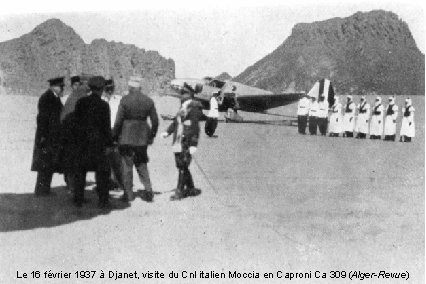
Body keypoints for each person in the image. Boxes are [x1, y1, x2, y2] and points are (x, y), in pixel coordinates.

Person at [112, 76, 159, 202]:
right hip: (142, 138)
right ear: (140, 87)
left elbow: (118, 122)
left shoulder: (125, 100)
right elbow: (155, 121)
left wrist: (114, 136)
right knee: (142, 164)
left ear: (130, 87)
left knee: (127, 166)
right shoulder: (148, 101)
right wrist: (152, 135)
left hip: (126, 137)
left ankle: (128, 195)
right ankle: (149, 191)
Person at [72, 76, 114, 208]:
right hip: (98, 144)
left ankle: (78, 199)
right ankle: (103, 201)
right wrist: (109, 144)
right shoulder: (104, 106)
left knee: (80, 171)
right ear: (101, 89)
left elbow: (76, 123)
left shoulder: (81, 103)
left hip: (82, 142)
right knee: (102, 173)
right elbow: (106, 127)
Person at [162, 83, 203, 201]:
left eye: (184, 94)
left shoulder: (193, 107)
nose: (182, 96)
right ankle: (191, 188)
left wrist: (194, 144)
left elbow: (196, 127)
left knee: (182, 165)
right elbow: (176, 122)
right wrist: (168, 132)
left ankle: (179, 192)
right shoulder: (184, 106)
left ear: (189, 95)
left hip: (186, 140)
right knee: (181, 164)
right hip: (179, 140)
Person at [31, 77, 65, 196]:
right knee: (44, 163)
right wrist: (43, 136)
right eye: (61, 87)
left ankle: (45, 189)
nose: (62, 89)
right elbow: (42, 119)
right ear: (54, 86)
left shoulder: (54, 98)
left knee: (48, 163)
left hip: (51, 136)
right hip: (46, 136)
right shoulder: (47, 98)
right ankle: (41, 190)